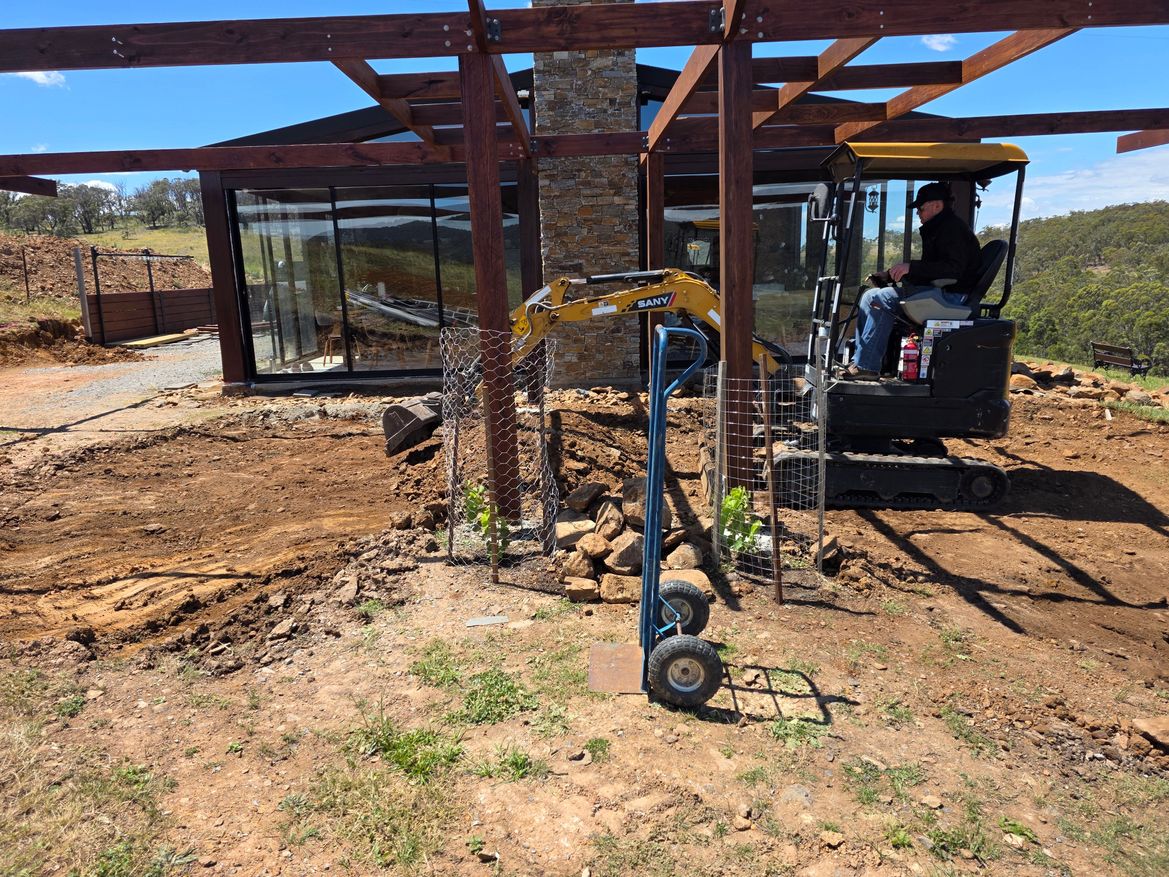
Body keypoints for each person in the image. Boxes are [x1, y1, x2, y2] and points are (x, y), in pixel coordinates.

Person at [842, 181, 981, 379]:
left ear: (937, 205)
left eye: (921, 209)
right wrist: (889, 275)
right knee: (869, 296)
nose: (918, 214)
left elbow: (953, 270)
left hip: (953, 296)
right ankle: (861, 360)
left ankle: (868, 366)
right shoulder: (939, 228)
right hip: (940, 291)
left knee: (882, 299)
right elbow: (931, 270)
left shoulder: (953, 229)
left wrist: (911, 267)